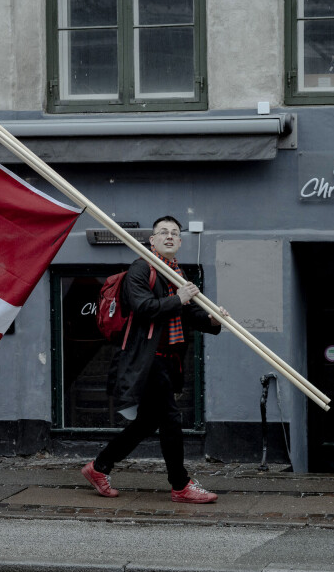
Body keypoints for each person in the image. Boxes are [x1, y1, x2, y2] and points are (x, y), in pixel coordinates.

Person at [81, 215, 227, 504]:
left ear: (180, 241)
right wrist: (181, 298)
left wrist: (211, 318)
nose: (170, 236)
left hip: (167, 360)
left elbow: (187, 315)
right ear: (152, 240)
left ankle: (98, 467)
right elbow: (145, 307)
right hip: (145, 360)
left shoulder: (177, 273)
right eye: (163, 232)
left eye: (175, 233)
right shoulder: (141, 268)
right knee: (171, 419)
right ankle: (181, 485)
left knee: (147, 423)